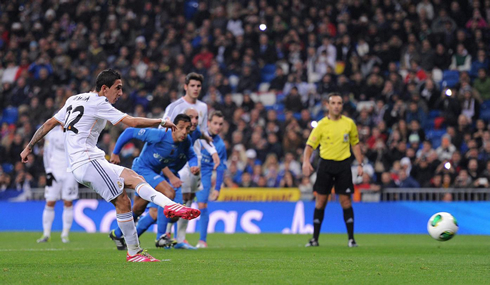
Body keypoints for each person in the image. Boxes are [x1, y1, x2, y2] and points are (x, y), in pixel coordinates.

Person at [20, 69, 200, 262]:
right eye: (118, 88)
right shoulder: (99, 103)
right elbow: (131, 122)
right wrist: (161, 121)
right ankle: (142, 243)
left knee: (132, 180)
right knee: (124, 197)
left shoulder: (74, 99)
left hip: (86, 161)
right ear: (104, 89)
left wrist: (29, 146)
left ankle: (165, 214)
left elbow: (48, 123)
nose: (121, 93)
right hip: (87, 161)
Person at [108, 113, 200, 250]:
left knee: (138, 209)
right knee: (168, 193)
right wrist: (115, 153)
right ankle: (161, 236)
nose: (184, 132)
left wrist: (194, 164)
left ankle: (117, 233)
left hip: (154, 173)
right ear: (174, 127)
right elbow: (129, 132)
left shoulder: (185, 142)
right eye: (181, 128)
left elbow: (192, 154)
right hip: (141, 169)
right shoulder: (159, 135)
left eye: (187, 129)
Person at [161, 73, 220, 247]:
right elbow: (162, 126)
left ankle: (180, 238)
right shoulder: (175, 106)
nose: (195, 89)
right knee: (177, 197)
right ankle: (166, 234)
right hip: (177, 156)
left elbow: (203, 133)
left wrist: (213, 151)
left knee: (189, 198)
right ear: (186, 86)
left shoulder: (202, 107)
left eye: (198, 86)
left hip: (196, 157)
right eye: (192, 85)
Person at [302, 93, 364, 248]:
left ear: (342, 105)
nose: (336, 106)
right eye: (333, 103)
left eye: (339, 103)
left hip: (343, 165)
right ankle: (314, 239)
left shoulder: (349, 124)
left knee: (346, 201)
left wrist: (360, 164)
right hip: (326, 166)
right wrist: (305, 162)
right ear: (327, 105)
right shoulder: (322, 125)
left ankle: (351, 239)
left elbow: (355, 143)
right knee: (321, 201)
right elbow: (310, 146)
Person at [37, 125, 79, 244]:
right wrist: (48, 171)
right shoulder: (53, 134)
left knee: (68, 201)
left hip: (70, 171)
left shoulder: (74, 133)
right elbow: (46, 153)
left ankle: (65, 234)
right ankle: (46, 234)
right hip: (55, 171)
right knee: (50, 201)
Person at [196, 111, 227, 248]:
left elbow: (220, 167)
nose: (218, 127)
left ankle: (202, 240)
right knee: (181, 203)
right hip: (189, 172)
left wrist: (218, 188)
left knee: (202, 206)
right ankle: (173, 236)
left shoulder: (220, 145)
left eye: (220, 124)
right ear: (208, 123)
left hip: (205, 175)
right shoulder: (197, 135)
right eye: (215, 123)